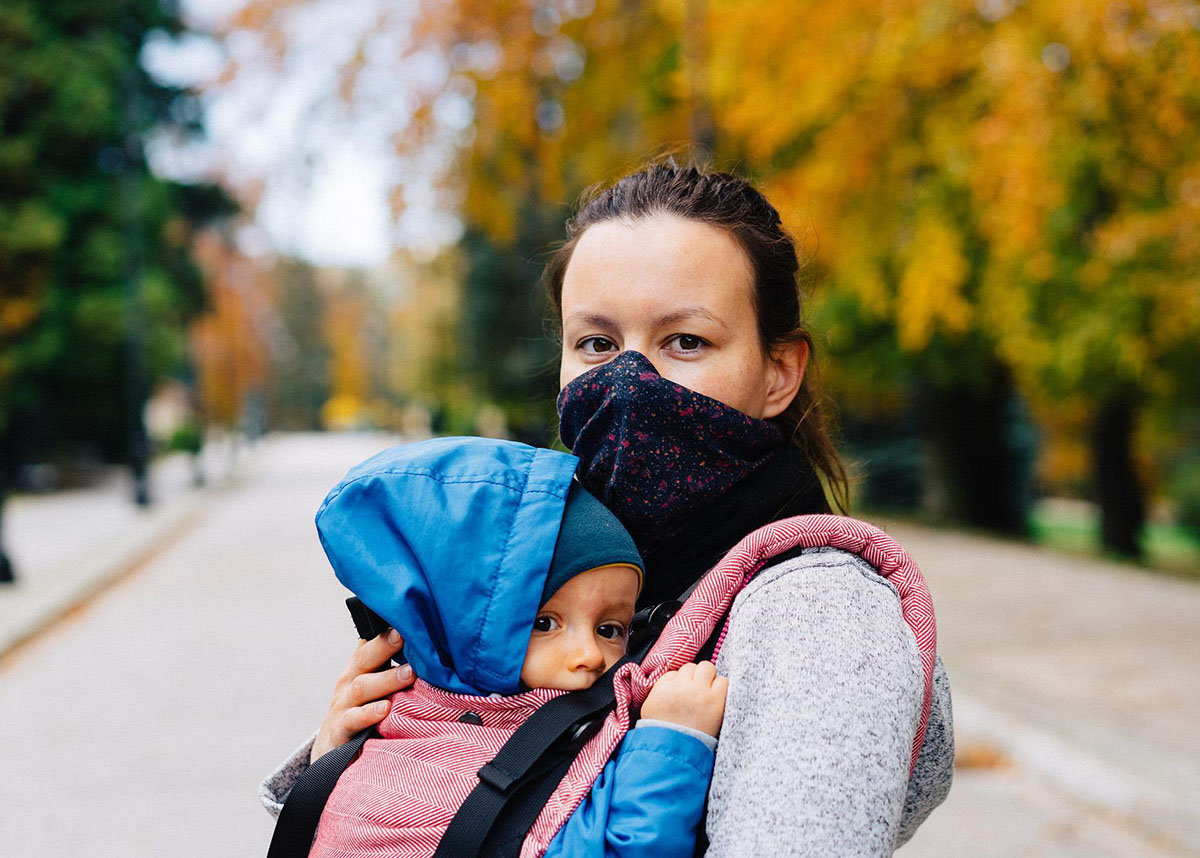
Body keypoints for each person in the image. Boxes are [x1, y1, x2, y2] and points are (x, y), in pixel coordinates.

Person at [262, 160, 955, 857]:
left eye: (686, 340)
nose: (628, 381)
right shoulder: (560, 564)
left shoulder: (818, 616)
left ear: (779, 373)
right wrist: (352, 764)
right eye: (596, 343)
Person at [293, 436, 727, 858]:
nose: (591, 656)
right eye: (544, 623)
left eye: (610, 629)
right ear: (459, 629)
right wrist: (671, 742)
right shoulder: (406, 769)